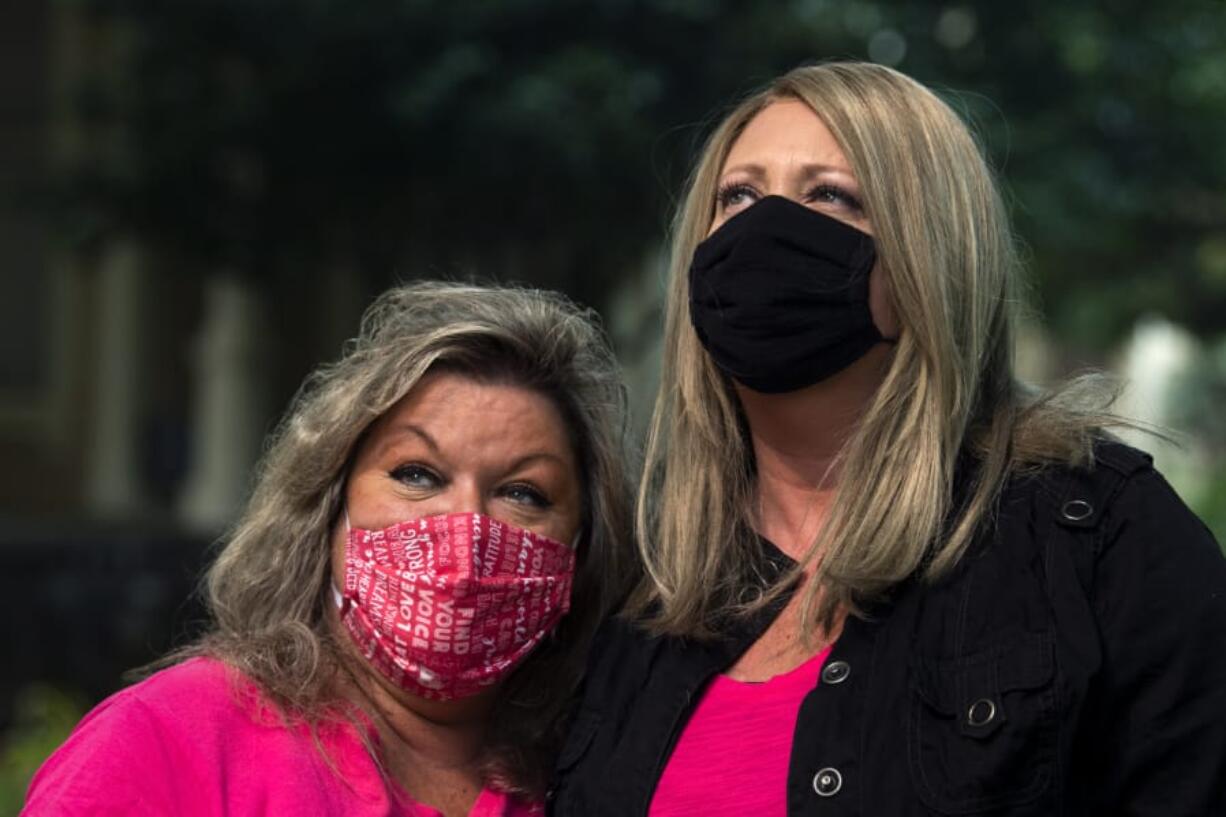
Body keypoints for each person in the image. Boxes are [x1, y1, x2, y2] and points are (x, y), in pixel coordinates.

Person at [548, 62, 1226, 816]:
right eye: (737, 195)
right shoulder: (639, 582)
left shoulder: (1103, 537)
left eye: (830, 195)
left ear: (928, 261)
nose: (764, 228)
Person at [24, 281, 635, 817]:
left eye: (523, 492)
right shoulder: (167, 742)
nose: (465, 527)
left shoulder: (612, 777)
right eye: (417, 474)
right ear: (329, 507)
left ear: (581, 550)